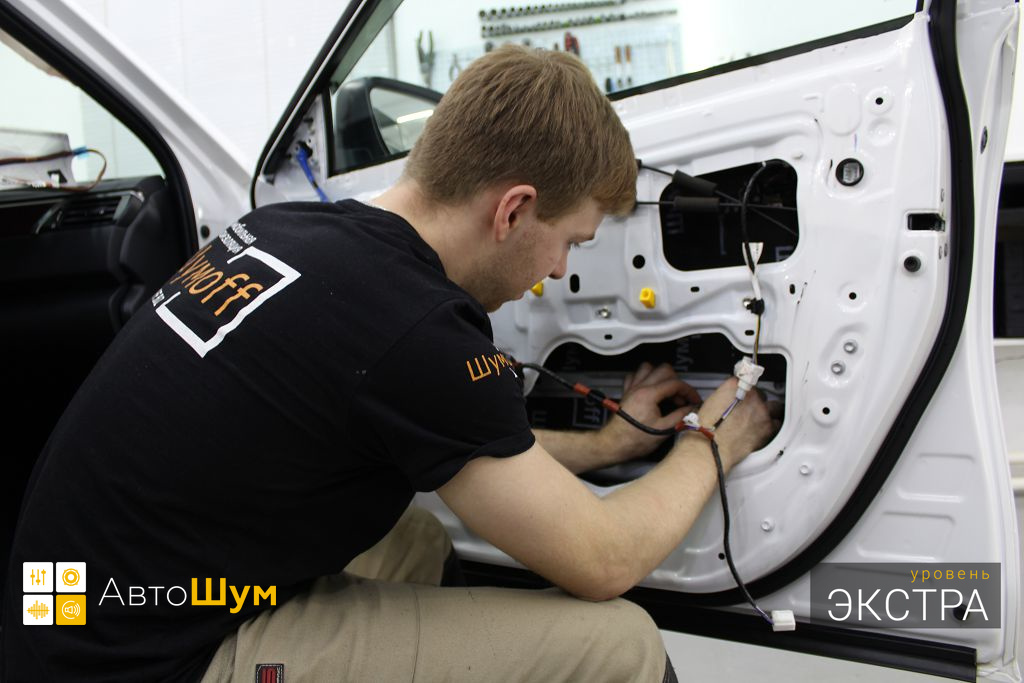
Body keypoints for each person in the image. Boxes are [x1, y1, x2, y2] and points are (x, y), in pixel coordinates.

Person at [2, 45, 776, 682]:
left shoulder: (288, 231)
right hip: (138, 660)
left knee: (416, 542)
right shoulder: (410, 326)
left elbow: (467, 443)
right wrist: (713, 442)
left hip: (61, 610)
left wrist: (608, 445)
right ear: (513, 209)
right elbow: (603, 559)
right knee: (619, 646)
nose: (557, 268)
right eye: (569, 240)